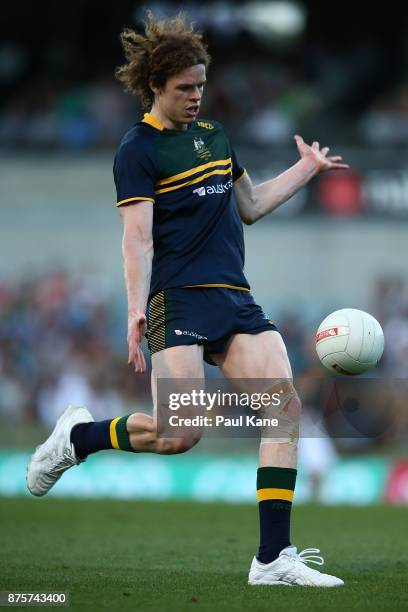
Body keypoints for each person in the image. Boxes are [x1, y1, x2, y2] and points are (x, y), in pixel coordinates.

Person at [27, 12, 348, 587]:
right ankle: (78, 438)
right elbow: (137, 238)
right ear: (155, 85)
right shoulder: (137, 150)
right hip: (176, 299)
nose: (196, 96)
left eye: (201, 85)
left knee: (285, 407)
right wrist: (133, 309)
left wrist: (305, 169)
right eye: (184, 89)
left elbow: (249, 205)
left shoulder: (215, 136)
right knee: (181, 434)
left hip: (234, 298)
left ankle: (273, 558)